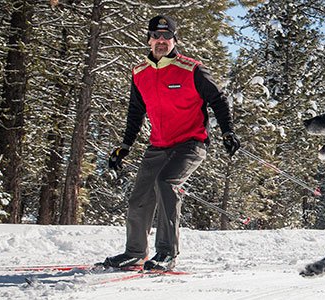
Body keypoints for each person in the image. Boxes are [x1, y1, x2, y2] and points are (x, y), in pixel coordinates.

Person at [102, 15, 240, 271]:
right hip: (158, 145)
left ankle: (166, 253)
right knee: (139, 197)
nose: (161, 41)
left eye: (167, 37)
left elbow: (218, 99)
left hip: (191, 143)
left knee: (166, 183)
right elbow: (135, 112)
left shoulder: (192, 69)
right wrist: (125, 146)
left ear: (175, 40)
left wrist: (227, 132)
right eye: (156, 36)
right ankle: (134, 252)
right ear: (149, 40)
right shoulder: (139, 73)